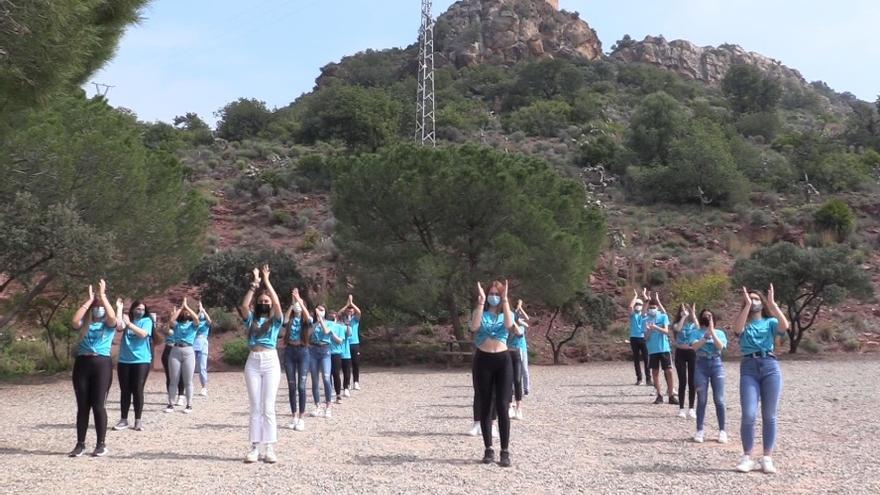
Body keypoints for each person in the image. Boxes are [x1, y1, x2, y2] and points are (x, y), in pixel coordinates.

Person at [733, 285, 789, 474]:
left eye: (756, 299)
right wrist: (746, 306)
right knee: (749, 414)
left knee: (769, 416)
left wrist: (772, 303)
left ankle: (767, 458)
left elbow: (784, 326)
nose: (754, 301)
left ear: (762, 302)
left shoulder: (770, 321)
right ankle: (747, 457)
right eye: (750, 298)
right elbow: (737, 329)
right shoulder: (744, 321)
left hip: (769, 365)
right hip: (749, 367)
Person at [239, 265, 284, 464]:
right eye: (261, 301)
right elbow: (244, 306)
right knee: (255, 406)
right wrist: (254, 284)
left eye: (266, 301)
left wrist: (267, 281)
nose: (265, 303)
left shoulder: (275, 320)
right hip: (253, 362)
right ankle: (254, 447)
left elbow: (277, 303)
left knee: (268, 406)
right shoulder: (251, 320)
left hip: (271, 361)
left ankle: (270, 447)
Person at [69, 280, 117, 457]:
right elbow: (74, 321)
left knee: (98, 405)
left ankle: (101, 444)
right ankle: (80, 444)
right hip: (82, 364)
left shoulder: (108, 325)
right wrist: (89, 301)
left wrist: (102, 296)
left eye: (100, 307)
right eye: (96, 307)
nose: (99, 309)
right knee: (83, 406)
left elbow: (112, 318)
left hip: (101, 364)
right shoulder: (85, 324)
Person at [471, 280, 516, 468]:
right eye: (492, 293)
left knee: (502, 405)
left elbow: (509, 324)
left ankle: (504, 451)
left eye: (497, 294)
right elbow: (474, 327)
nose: (494, 297)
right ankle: (488, 448)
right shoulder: (480, 311)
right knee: (485, 404)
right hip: (483, 360)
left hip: (502, 360)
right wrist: (481, 301)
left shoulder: (508, 312)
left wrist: (505, 300)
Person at [113, 299, 154, 432]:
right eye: (137, 309)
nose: (140, 311)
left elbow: (143, 334)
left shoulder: (147, 321)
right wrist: (119, 309)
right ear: (132, 310)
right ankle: (123, 419)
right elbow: (119, 326)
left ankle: (138, 420)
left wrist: (129, 324)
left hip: (141, 360)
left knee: (137, 389)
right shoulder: (127, 320)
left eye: (142, 309)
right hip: (125, 360)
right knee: (125, 390)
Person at [689, 309, 728, 444]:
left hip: (716, 365)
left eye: (710, 316)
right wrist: (705, 337)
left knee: (719, 399)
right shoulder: (695, 332)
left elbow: (720, 347)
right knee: (702, 399)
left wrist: (712, 332)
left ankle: (722, 431)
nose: (707, 317)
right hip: (701, 365)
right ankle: (699, 430)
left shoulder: (720, 333)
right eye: (705, 315)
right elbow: (694, 347)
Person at [283, 288, 312, 431]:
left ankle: (301, 418)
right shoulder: (291, 319)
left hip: (303, 352)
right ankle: (293, 416)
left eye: (300, 305)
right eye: (297, 305)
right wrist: (292, 303)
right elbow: (284, 320)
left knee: (301, 385)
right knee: (292, 386)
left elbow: (309, 319)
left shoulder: (305, 320)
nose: (298, 307)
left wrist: (300, 300)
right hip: (289, 351)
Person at [164, 298, 199, 414]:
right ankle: (171, 404)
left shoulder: (193, 325)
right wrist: (181, 308)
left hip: (189, 351)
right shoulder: (177, 325)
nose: (186, 313)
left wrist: (187, 307)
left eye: (187, 312)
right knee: (173, 379)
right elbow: (171, 320)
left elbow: (197, 318)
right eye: (184, 312)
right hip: (175, 350)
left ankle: (189, 405)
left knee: (188, 380)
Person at [645, 296, 678, 405]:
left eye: (654, 307)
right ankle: (659, 395)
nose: (652, 309)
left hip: (664, 348)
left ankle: (671, 395)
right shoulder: (645, 319)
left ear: (658, 307)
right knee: (655, 372)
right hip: (652, 349)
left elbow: (666, 331)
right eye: (650, 307)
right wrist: (649, 331)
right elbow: (645, 337)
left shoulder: (663, 317)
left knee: (668, 371)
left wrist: (655, 327)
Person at [672, 303, 699, 419]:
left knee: (692, 381)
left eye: (686, 310)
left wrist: (692, 312)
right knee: (682, 380)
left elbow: (698, 327)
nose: (686, 312)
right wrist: (683, 316)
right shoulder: (676, 323)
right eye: (682, 310)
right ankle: (682, 408)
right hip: (680, 353)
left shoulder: (693, 324)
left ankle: (692, 408)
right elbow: (677, 329)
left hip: (692, 353)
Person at [308, 304, 335, 418]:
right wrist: (316, 322)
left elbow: (327, 331)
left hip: (325, 350)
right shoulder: (313, 324)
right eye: (318, 310)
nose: (320, 311)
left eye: (322, 310)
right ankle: (317, 406)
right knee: (314, 379)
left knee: (326, 377)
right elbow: (308, 335)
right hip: (313, 350)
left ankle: (328, 406)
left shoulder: (330, 323)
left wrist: (321, 320)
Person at [507, 302, 527, 421]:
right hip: (506, 354)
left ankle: (519, 408)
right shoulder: (504, 326)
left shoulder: (520, 325)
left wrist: (514, 321)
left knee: (518, 380)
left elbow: (520, 334)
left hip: (516, 354)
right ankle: (509, 406)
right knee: (508, 381)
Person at [339, 295, 363, 390]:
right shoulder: (343, 319)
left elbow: (359, 312)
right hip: (345, 344)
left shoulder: (355, 319)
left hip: (355, 343)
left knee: (355, 363)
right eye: (348, 310)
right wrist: (347, 305)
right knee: (346, 364)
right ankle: (347, 383)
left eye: (351, 309)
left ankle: (356, 381)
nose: (350, 310)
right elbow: (338, 313)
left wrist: (352, 303)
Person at [628, 289, 651, 386]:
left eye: (639, 304)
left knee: (646, 359)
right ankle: (639, 379)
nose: (638, 305)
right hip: (634, 338)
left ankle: (648, 379)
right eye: (637, 304)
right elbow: (630, 307)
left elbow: (647, 302)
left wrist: (644, 295)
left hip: (643, 338)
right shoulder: (632, 315)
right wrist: (635, 296)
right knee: (636, 359)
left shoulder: (643, 315)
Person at [161, 318, 185, 406]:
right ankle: (171, 397)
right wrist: (171, 320)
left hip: (179, 349)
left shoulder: (183, 326)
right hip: (168, 349)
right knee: (169, 376)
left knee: (181, 374)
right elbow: (168, 331)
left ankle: (181, 396)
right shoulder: (166, 326)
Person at [193, 301, 213, 397]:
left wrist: (203, 310)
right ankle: (187, 386)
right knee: (190, 367)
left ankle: (204, 387)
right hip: (192, 345)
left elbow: (210, 321)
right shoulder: (194, 322)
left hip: (203, 345)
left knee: (202, 367)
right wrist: (199, 311)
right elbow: (194, 320)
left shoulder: (206, 323)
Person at [328, 310, 346, 404]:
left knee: (336, 374)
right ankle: (329, 394)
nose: (331, 316)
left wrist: (332, 333)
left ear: (336, 317)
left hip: (336, 353)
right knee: (327, 375)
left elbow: (340, 341)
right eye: (330, 315)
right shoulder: (325, 326)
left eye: (333, 315)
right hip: (326, 353)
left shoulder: (340, 327)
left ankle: (338, 395)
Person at [515, 300, 531, 397]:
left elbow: (527, 318)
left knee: (524, 369)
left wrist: (520, 307)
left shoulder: (521, 321)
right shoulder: (513, 318)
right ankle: (513, 389)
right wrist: (518, 306)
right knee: (515, 370)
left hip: (523, 348)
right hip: (514, 348)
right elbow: (514, 315)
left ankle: (526, 388)